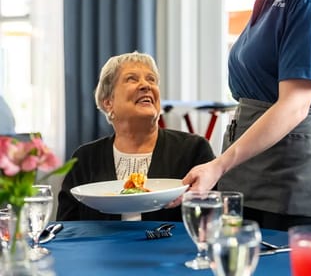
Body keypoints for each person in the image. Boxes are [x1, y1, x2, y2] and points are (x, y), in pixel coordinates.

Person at [182, 0, 311, 231]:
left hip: (290, 180)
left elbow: (294, 106)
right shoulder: (265, 1)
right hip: (254, 177)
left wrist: (220, 164)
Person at [57, 51, 214, 222]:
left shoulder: (193, 150)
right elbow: (66, 229)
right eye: (132, 78)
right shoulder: (85, 158)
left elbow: (210, 220)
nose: (146, 85)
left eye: (151, 79)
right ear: (108, 102)